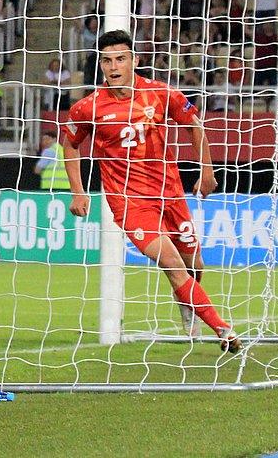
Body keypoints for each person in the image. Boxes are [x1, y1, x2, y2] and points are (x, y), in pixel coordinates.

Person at [63, 30, 241, 351]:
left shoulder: (160, 93)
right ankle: (223, 330)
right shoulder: (88, 107)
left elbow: (194, 126)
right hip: (129, 203)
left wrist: (207, 170)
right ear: (100, 65)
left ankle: (186, 303)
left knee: (194, 265)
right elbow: (70, 144)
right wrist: (78, 190)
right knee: (172, 263)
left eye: (120, 59)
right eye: (107, 61)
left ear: (135, 60)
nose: (113, 67)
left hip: (169, 194)